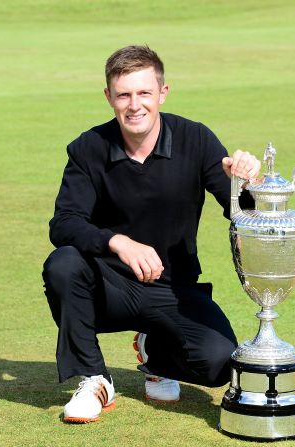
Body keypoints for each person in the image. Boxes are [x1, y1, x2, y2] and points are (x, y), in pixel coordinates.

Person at [42, 45, 261, 423]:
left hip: (174, 288)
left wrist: (245, 186)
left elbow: (240, 212)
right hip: (106, 286)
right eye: (123, 94)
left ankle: (155, 350)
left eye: (144, 93)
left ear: (162, 93)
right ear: (109, 97)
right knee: (63, 265)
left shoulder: (196, 139)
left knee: (219, 364)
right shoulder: (88, 148)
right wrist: (118, 242)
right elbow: (63, 223)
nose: (134, 105)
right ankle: (94, 379)